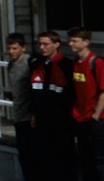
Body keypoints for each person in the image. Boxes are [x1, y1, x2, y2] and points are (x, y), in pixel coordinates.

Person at [68, 27, 104, 181]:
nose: (70, 44)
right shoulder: (76, 63)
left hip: (97, 118)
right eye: (70, 40)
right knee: (85, 158)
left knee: (101, 158)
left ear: (86, 42)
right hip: (81, 117)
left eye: (75, 41)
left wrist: (96, 114)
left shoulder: (97, 62)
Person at [29, 30, 77, 180]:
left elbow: (72, 94)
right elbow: (34, 93)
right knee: (44, 159)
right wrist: (34, 114)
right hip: (42, 120)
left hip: (62, 121)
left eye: (46, 44)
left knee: (63, 158)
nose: (42, 47)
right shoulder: (36, 64)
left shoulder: (67, 65)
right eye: (40, 44)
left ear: (56, 44)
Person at [5, 33, 40, 181]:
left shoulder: (30, 63)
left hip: (30, 116)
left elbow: (37, 90)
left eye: (15, 48)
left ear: (23, 48)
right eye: (9, 48)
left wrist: (35, 113)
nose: (11, 52)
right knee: (24, 155)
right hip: (18, 115)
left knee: (35, 155)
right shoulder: (11, 65)